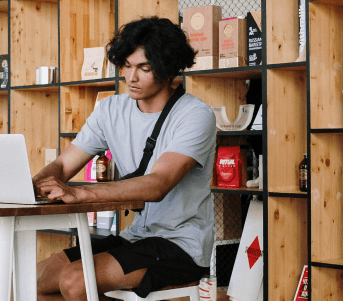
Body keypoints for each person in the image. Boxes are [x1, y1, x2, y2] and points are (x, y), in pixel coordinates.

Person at [33, 16, 217, 301]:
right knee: (39, 279)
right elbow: (62, 165)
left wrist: (80, 193)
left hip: (181, 245)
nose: (131, 77)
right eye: (127, 66)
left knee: (75, 282)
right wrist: (37, 183)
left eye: (144, 68)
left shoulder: (195, 115)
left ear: (168, 70)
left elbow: (158, 184)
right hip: (136, 237)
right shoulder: (110, 109)